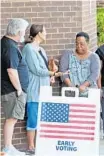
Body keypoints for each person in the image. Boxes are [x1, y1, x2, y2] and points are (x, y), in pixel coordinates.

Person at [22, 24, 64, 155]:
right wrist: (53, 74)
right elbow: (37, 70)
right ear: (38, 33)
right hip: (34, 91)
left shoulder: (41, 49)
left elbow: (45, 69)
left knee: (42, 119)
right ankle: (31, 147)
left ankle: (40, 145)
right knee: (33, 119)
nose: (46, 34)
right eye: (45, 32)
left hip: (44, 90)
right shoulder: (29, 49)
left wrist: (51, 73)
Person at [1, 18, 29, 156]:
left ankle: (8, 147)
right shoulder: (10, 47)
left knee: (11, 118)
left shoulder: (5, 43)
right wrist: (19, 89)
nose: (24, 33)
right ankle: (7, 148)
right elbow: (11, 71)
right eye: (24, 31)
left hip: (9, 90)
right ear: (19, 31)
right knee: (12, 118)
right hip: (12, 91)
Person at [59, 32, 100, 96]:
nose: (79, 46)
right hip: (70, 92)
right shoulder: (67, 54)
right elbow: (63, 71)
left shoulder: (94, 57)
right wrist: (70, 85)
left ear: (88, 43)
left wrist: (84, 85)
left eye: (81, 44)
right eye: (77, 43)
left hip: (89, 92)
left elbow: (95, 74)